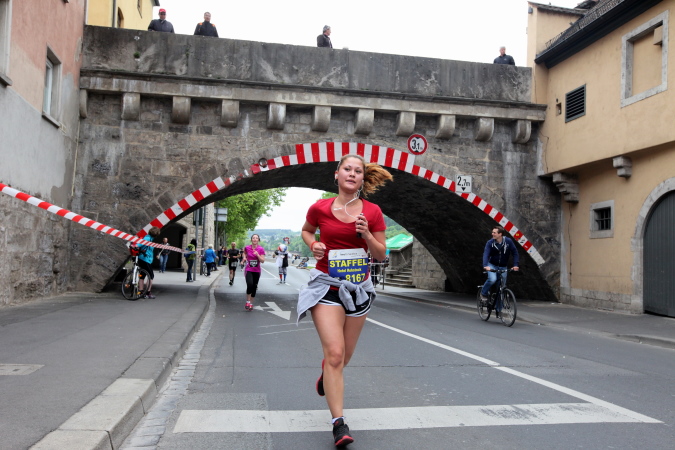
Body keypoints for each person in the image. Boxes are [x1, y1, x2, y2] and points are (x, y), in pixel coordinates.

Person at [298, 154, 392, 447]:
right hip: (326, 286)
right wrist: (314, 244)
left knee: (343, 358)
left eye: (358, 171)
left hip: (358, 289)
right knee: (336, 354)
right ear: (336, 174)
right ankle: (339, 423)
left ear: (363, 179)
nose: (352, 174)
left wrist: (366, 235)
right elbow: (306, 231)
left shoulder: (373, 212)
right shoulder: (320, 208)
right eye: (347, 169)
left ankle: (326, 373)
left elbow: (381, 254)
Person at [480, 226, 520, 317]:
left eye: (494, 232)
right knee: (492, 279)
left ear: (500, 234)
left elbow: (515, 253)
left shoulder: (508, 242)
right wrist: (485, 265)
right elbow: (486, 254)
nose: (492, 234)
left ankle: (499, 309)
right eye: (492, 232)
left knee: (501, 288)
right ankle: (483, 293)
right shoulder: (490, 243)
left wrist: (516, 265)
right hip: (492, 265)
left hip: (503, 266)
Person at [242, 234, 265, 311]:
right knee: (250, 284)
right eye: (253, 238)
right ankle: (247, 301)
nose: (255, 239)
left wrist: (257, 255)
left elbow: (262, 261)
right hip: (249, 269)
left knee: (254, 287)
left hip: (257, 271)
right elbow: (244, 253)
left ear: (258, 240)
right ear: (251, 239)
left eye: (256, 238)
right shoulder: (247, 247)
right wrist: (244, 257)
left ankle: (251, 303)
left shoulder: (261, 249)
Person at [136, 226, 160, 298]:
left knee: (142, 275)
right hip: (145, 259)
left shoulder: (149, 238)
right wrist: (136, 246)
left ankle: (140, 292)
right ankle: (148, 293)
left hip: (144, 259)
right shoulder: (147, 238)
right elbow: (139, 244)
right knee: (151, 275)